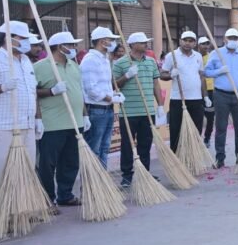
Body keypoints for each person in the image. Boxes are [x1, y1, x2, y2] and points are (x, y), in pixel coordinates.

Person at [35, 31, 88, 208]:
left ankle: (65, 195)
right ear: (60, 47)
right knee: (47, 164)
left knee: (71, 161)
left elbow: (79, 91)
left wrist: (85, 114)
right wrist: (51, 91)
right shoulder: (41, 66)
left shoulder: (74, 65)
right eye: (71, 45)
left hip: (75, 122)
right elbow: (31, 92)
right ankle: (47, 199)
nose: (74, 48)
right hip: (52, 124)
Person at [112, 32, 163, 188]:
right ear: (132, 45)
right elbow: (114, 85)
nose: (146, 44)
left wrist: (160, 105)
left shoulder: (151, 62)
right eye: (142, 42)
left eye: (146, 42)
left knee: (145, 144)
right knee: (127, 145)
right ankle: (127, 175)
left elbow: (156, 84)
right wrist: (127, 75)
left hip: (147, 110)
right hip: (129, 111)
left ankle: (145, 173)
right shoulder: (120, 63)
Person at [0, 22, 38, 195]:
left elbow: (32, 90)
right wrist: (2, 87)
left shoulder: (26, 61)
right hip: (4, 126)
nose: (27, 42)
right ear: (9, 39)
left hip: (27, 124)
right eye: (23, 38)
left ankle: (20, 211)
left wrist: (37, 120)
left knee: (26, 171)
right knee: (1, 172)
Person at [203, 28, 238, 169]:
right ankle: (220, 158)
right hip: (221, 95)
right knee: (221, 127)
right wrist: (219, 71)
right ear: (225, 39)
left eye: (235, 38)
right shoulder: (216, 53)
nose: (232, 41)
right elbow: (206, 72)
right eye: (230, 38)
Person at [81, 26, 124, 168]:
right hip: (96, 109)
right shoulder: (90, 60)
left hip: (108, 109)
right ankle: (92, 183)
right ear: (102, 41)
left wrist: (114, 95)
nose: (113, 43)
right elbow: (91, 89)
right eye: (111, 40)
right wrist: (110, 98)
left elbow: (105, 85)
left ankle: (103, 182)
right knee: (94, 148)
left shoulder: (105, 59)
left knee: (105, 147)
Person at [161, 31, 207, 154]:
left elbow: (201, 76)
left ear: (195, 43)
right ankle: (176, 157)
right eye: (185, 40)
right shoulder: (172, 56)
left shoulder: (197, 56)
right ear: (180, 41)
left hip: (196, 99)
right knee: (176, 130)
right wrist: (171, 75)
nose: (187, 43)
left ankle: (193, 156)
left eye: (191, 41)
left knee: (196, 129)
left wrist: (205, 96)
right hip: (178, 99)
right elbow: (162, 74)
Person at [197, 37, 215, 147]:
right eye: (203, 44)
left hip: (210, 90)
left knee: (210, 116)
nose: (206, 46)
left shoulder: (212, 57)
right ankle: (197, 138)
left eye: (207, 44)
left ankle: (207, 138)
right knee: (198, 116)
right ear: (198, 45)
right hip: (196, 90)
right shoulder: (195, 57)